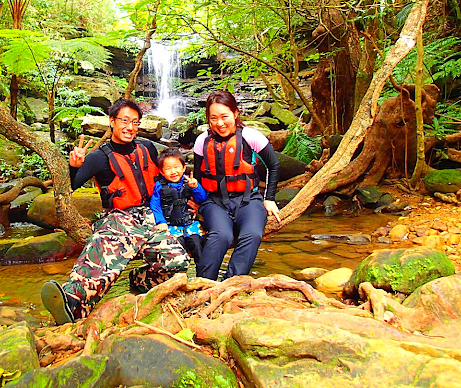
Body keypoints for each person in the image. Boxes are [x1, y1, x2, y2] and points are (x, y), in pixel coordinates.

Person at [41, 98, 190, 325]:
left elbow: (169, 176)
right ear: (112, 121)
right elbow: (72, 184)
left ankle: (140, 281)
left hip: (150, 216)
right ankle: (72, 303)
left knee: (178, 262)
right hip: (120, 216)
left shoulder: (147, 148)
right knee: (101, 248)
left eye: (135, 122)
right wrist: (73, 166)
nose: (130, 127)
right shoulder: (99, 157)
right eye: (124, 121)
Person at [193, 90, 281, 281]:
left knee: (252, 234)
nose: (220, 123)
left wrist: (270, 198)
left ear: (235, 113)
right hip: (214, 202)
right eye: (213, 118)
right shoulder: (202, 141)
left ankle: (230, 284)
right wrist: (194, 202)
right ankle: (203, 284)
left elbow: (273, 165)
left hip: (248, 200)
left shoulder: (251, 136)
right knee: (221, 235)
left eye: (224, 116)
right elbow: (198, 177)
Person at [150, 148, 208, 269]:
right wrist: (161, 222)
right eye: (168, 169)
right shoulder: (159, 186)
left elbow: (202, 198)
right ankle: (179, 278)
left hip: (190, 224)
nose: (173, 171)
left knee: (198, 247)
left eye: (176, 167)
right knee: (178, 250)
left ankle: (203, 276)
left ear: (183, 168)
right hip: (172, 226)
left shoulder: (190, 182)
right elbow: (155, 205)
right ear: (161, 171)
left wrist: (196, 187)